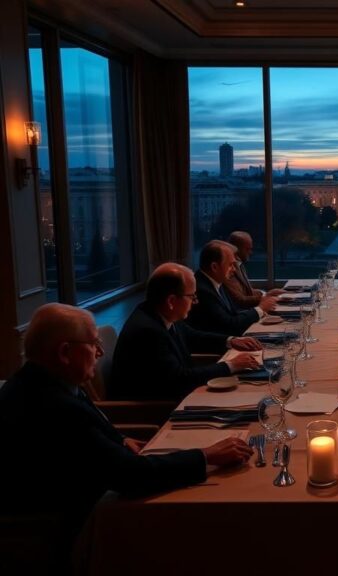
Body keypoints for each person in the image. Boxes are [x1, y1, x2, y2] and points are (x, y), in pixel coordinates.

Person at [0, 303, 253, 571]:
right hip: (62, 528)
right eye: (93, 343)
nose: (100, 351)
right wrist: (207, 455)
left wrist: (119, 441)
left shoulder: (46, 380)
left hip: (79, 497)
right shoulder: (52, 406)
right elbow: (132, 477)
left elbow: (90, 432)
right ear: (65, 352)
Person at [110, 262, 263, 400]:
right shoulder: (147, 331)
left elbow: (193, 337)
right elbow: (179, 380)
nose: (195, 302)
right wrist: (230, 365)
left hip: (178, 396)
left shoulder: (158, 313)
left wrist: (231, 341)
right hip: (154, 411)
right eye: (191, 296)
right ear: (171, 301)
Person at [185, 240, 263, 335]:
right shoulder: (202, 290)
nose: (234, 270)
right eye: (230, 265)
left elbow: (233, 314)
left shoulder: (217, 282)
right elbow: (229, 325)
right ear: (214, 267)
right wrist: (260, 310)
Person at [224, 231, 283, 311]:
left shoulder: (240, 264)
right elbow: (239, 300)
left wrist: (267, 293)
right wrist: (266, 298)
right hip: (242, 315)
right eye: (247, 249)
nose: (250, 252)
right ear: (236, 249)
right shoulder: (228, 270)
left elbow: (248, 291)